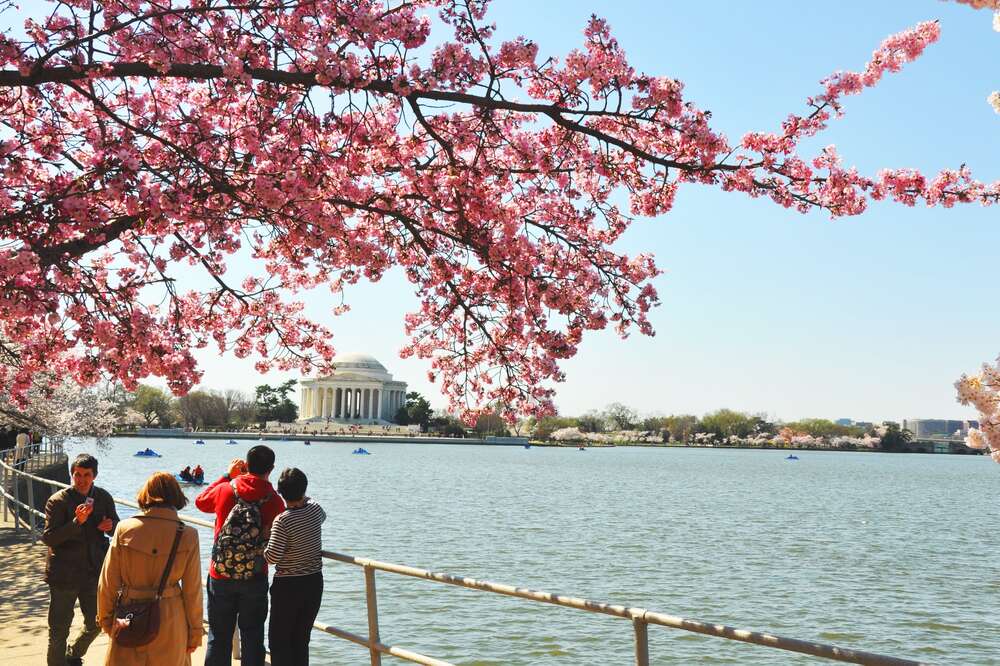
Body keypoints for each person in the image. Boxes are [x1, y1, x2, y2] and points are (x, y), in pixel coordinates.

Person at [97, 472, 204, 665]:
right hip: (171, 617)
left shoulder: (124, 529)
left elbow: (108, 581)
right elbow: (192, 590)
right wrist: (195, 632)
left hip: (128, 615)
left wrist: (106, 619)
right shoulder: (188, 534)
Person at [195, 446, 285, 666]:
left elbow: (200, 501)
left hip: (221, 573)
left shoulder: (226, 489)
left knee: (218, 636)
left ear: (246, 464)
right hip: (254, 574)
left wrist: (228, 475)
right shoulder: (274, 501)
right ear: (271, 468)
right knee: (253, 637)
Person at [42, 453, 120, 666]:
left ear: (94, 475)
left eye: (86, 475)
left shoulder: (103, 497)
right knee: (59, 629)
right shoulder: (58, 501)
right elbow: (49, 538)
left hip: (93, 572)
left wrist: (110, 526)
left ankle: (74, 653)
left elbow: (117, 527)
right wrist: (77, 522)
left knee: (98, 622)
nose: (81, 479)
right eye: (77, 474)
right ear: (72, 475)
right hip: (64, 573)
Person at [263, 468, 326, 666]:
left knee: (279, 641)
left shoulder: (282, 520)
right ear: (304, 489)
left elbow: (272, 557)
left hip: (288, 586)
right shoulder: (315, 510)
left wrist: (263, 546)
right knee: (301, 639)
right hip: (314, 581)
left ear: (281, 493)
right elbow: (319, 513)